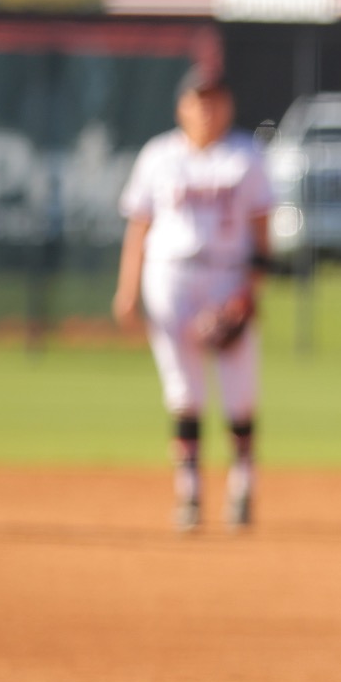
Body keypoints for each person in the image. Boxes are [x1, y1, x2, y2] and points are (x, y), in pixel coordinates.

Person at [113, 66, 274, 531]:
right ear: (181, 106)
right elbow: (139, 226)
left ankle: (243, 486)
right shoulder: (159, 156)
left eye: (214, 99)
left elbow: (263, 231)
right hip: (171, 278)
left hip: (227, 277)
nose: (206, 107)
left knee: (239, 392)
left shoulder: (246, 155)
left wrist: (250, 292)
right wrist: (128, 288)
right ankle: (190, 495)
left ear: (228, 105)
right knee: (184, 391)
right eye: (197, 99)